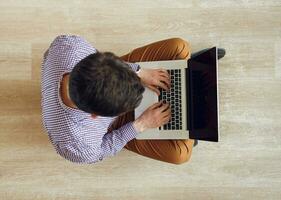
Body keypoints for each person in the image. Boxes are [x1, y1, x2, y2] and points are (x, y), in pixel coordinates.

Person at [41, 35, 225, 165]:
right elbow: (106, 148)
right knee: (180, 154)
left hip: (108, 84)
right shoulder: (78, 145)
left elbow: (103, 61)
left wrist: (138, 72)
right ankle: (190, 79)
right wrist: (141, 124)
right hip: (116, 127)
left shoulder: (70, 47)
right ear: (96, 116)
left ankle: (188, 77)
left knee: (179, 46)